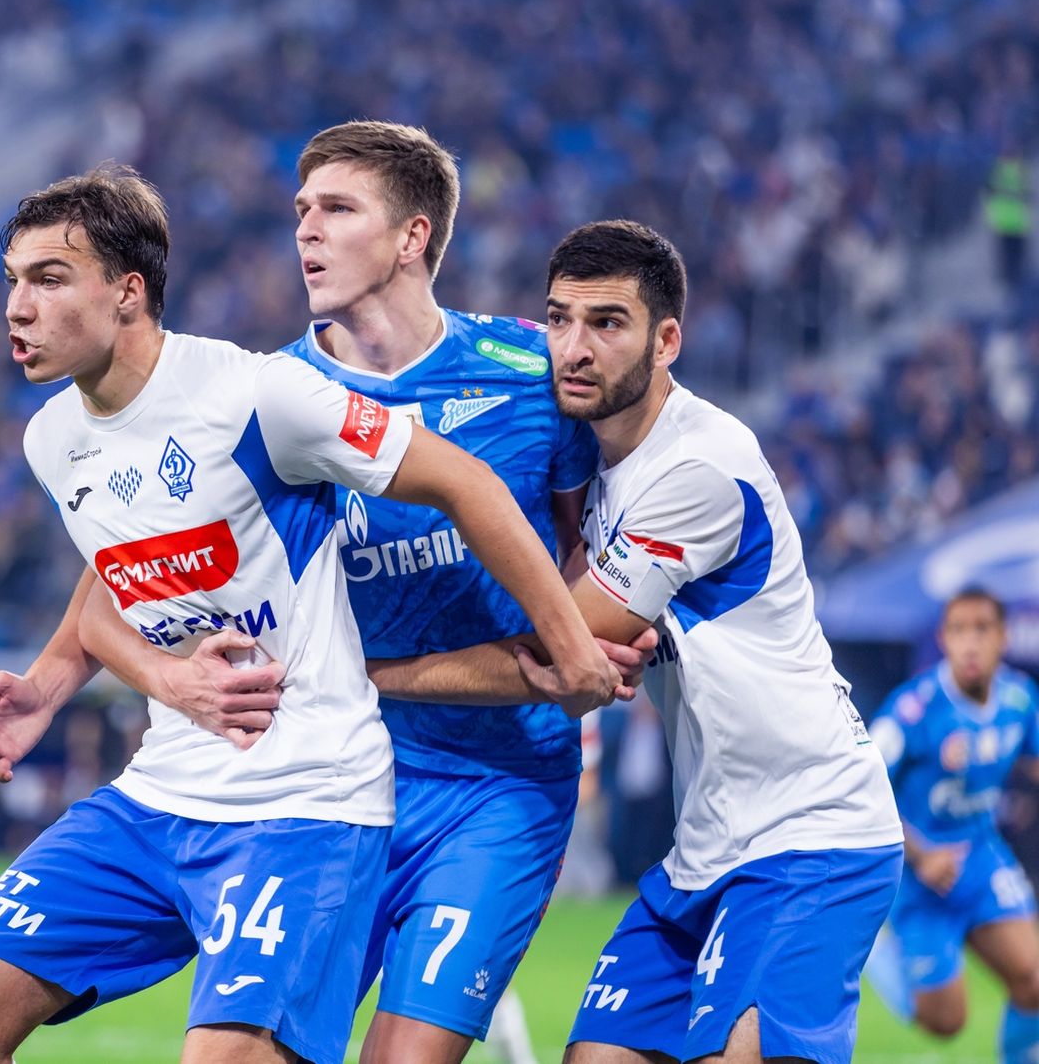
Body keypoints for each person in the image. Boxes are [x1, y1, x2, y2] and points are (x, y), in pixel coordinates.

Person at [0, 167, 616, 1064]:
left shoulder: (258, 395)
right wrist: (76, 685)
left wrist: (571, 647)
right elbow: (113, 580)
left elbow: (464, 479)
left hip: (304, 798)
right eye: (12, 280)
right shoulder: (52, 439)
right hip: (159, 791)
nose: (16, 306)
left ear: (127, 292)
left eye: (48, 279)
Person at [370, 219, 904, 1063]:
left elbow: (562, 646)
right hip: (703, 847)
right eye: (559, 319)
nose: (574, 348)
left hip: (811, 833)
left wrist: (372, 674)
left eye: (607, 322)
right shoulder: (589, 464)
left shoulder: (698, 466)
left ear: (667, 341)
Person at [864, 589, 1039, 1063]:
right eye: (959, 630)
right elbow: (864, 787)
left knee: (1033, 980)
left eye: (982, 629)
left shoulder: (1020, 699)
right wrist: (922, 855)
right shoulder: (913, 709)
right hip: (921, 875)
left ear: (1004, 637)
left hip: (981, 857)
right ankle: (878, 952)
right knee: (946, 1023)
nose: (970, 643)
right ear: (943, 639)